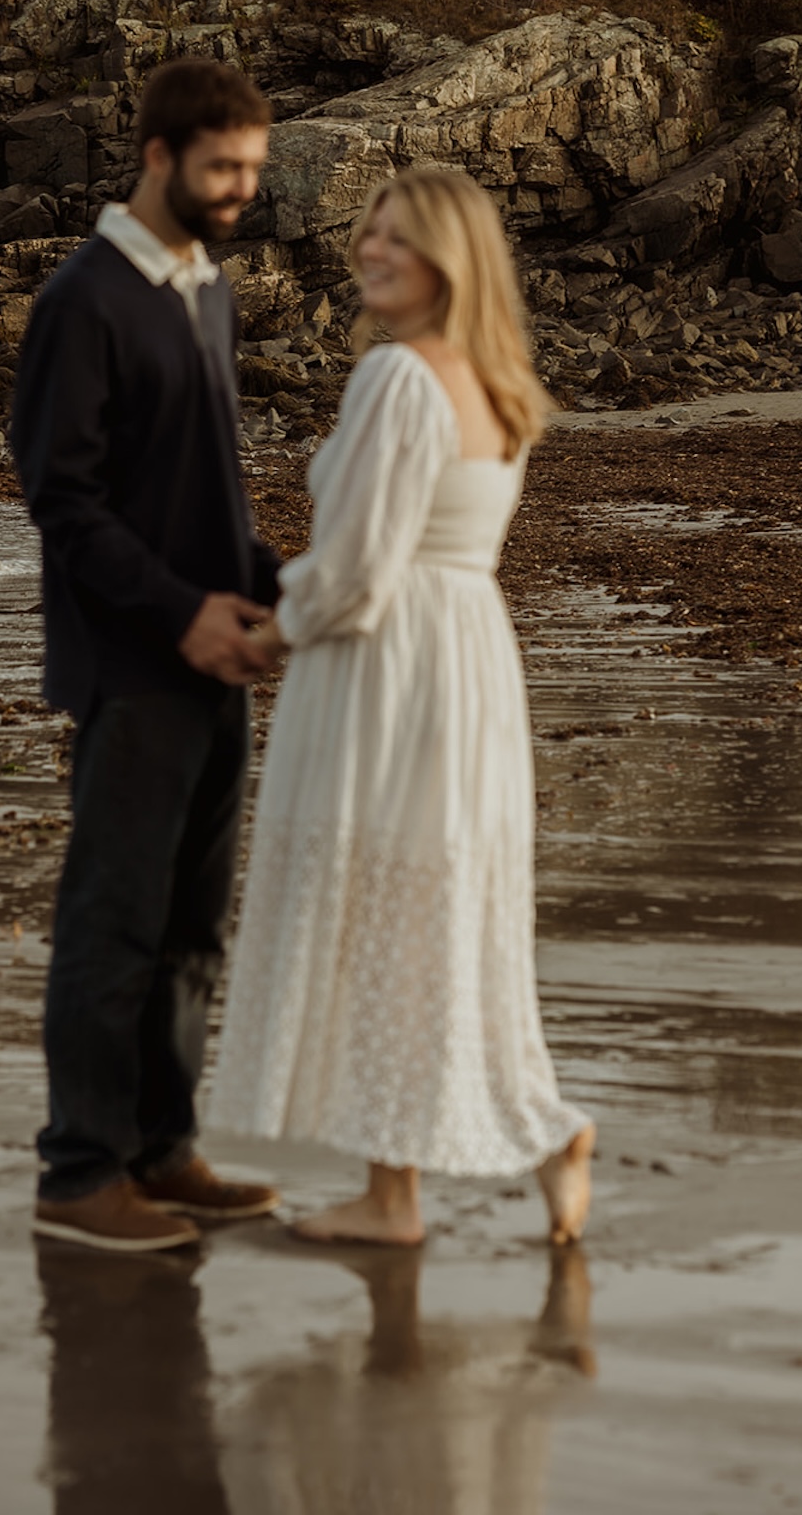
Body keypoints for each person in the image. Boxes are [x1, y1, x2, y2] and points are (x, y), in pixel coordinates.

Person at [208, 166, 595, 1247]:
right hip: (466, 660)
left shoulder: (398, 380)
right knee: (439, 919)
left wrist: (267, 633)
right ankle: (515, 1140)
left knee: (380, 909)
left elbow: (358, 569)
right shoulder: (498, 383)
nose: (369, 251)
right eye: (368, 233)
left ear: (448, 259)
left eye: (398, 238)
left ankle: (403, 1193)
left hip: (386, 666)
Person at [11, 57, 282, 1253]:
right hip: (133, 666)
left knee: (190, 929)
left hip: (215, 656)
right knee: (111, 926)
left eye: (253, 169)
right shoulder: (86, 300)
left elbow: (203, 491)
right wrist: (181, 613)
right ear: (160, 157)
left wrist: (274, 598)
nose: (240, 189)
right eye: (222, 167)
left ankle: (162, 1153)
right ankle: (80, 1176)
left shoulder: (203, 289)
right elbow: (60, 501)